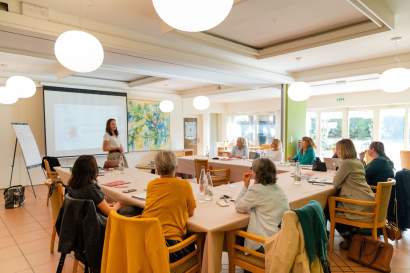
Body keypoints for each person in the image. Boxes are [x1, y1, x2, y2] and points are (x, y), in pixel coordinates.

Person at [142, 151, 196, 262]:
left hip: (147, 246)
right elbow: (191, 213)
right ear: (176, 166)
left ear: (157, 168)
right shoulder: (184, 185)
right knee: (199, 237)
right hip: (170, 250)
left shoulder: (151, 185)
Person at [236, 158, 289, 251]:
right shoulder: (278, 188)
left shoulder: (257, 190)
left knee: (233, 236)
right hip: (280, 241)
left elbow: (239, 206)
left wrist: (245, 186)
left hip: (266, 244)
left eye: (252, 169)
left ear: (256, 173)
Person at [331, 139, 375, 249]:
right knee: (334, 204)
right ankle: (355, 234)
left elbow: (336, 183)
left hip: (358, 203)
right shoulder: (357, 162)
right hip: (368, 199)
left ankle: (350, 238)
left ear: (343, 150)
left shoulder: (346, 163)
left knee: (329, 208)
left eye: (338, 149)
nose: (336, 152)